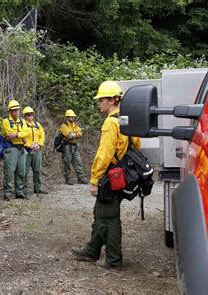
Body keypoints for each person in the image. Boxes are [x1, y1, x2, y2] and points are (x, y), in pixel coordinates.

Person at [70, 81, 140, 269]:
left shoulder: (110, 122)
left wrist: (94, 179)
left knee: (108, 217)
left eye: (101, 99)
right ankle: (92, 250)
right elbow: (137, 145)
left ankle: (113, 259)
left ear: (112, 100)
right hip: (123, 174)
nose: (98, 103)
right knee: (101, 213)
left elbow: (104, 154)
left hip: (110, 175)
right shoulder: (125, 119)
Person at [1, 99, 29, 200]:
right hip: (11, 148)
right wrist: (21, 134)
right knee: (9, 171)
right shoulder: (6, 121)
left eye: (17, 110)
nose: (16, 111)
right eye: (14, 110)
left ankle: (19, 191)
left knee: (21, 171)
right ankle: (7, 192)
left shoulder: (22, 121)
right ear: (10, 111)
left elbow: (27, 133)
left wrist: (17, 134)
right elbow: (9, 136)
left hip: (21, 148)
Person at [22, 106, 48, 195]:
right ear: (24, 116)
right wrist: (29, 146)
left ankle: (37, 188)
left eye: (31, 115)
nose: (30, 116)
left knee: (37, 170)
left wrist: (39, 144)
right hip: (26, 150)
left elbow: (42, 135)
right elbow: (22, 137)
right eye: (28, 115)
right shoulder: (22, 125)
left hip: (37, 150)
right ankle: (23, 190)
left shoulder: (37, 125)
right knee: (25, 170)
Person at [59, 109, 88, 185]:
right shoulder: (64, 126)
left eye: (73, 117)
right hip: (67, 146)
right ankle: (67, 179)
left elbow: (80, 133)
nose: (72, 118)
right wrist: (75, 134)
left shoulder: (75, 125)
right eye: (71, 117)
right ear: (67, 117)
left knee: (78, 162)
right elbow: (68, 136)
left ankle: (80, 178)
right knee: (67, 162)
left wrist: (74, 134)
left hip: (74, 146)